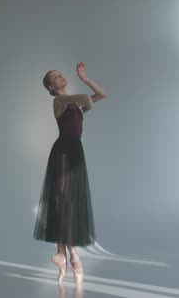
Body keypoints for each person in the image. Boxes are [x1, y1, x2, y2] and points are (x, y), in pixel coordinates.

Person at [34, 62, 106, 284]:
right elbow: (84, 98)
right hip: (63, 152)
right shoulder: (59, 101)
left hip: (76, 151)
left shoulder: (74, 103)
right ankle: (72, 256)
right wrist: (83, 93)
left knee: (69, 202)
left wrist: (85, 78)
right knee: (62, 201)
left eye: (59, 74)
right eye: (55, 77)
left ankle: (62, 255)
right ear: (51, 88)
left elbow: (101, 95)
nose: (60, 76)